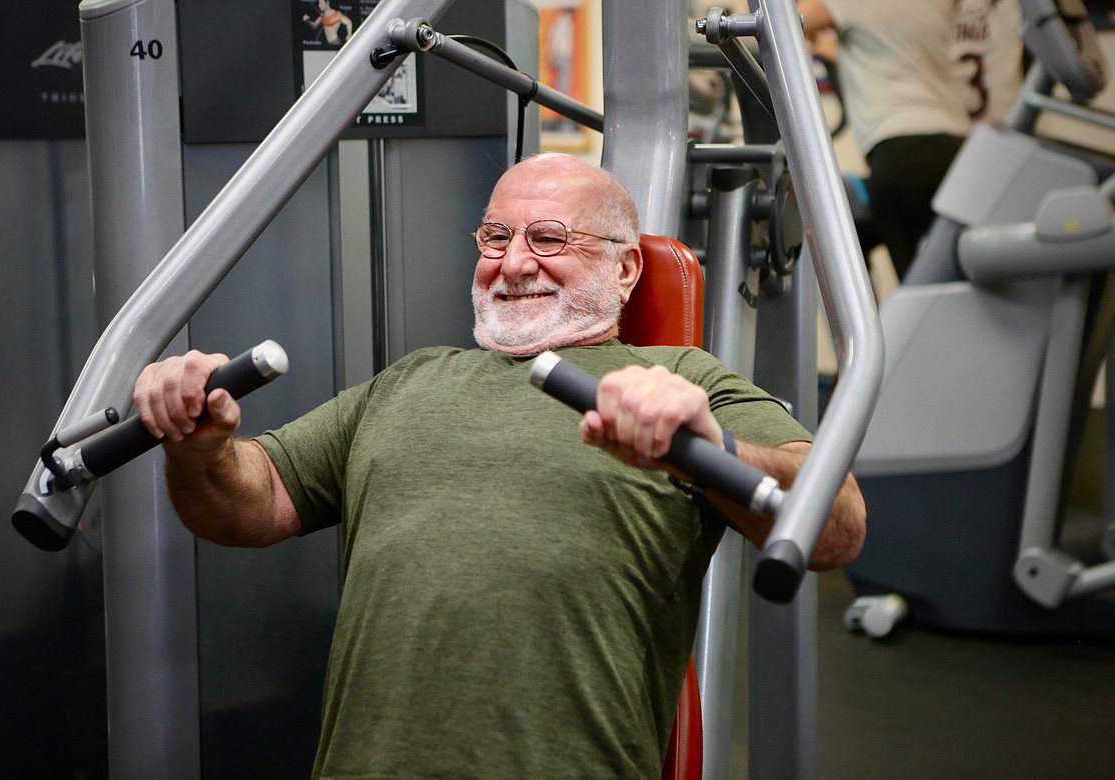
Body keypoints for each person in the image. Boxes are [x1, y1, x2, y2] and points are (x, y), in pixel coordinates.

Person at [133, 153, 866, 778]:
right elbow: (246, 507)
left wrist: (713, 448)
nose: (514, 263)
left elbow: (836, 527)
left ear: (625, 269)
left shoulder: (679, 380)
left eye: (550, 238)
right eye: (496, 236)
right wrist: (202, 449)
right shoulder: (409, 381)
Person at [799, 0, 1019, 282]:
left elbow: (783, 24)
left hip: (902, 156)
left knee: (924, 289)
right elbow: (897, 54)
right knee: (954, 283)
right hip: (958, 152)